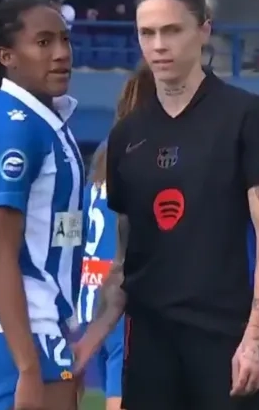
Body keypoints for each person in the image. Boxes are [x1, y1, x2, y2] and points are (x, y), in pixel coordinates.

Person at [74, 0, 259, 410]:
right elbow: (124, 262)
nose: (158, 45)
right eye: (147, 33)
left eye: (171, 30)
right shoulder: (126, 137)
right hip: (149, 350)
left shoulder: (245, 115)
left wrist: (256, 340)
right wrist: (89, 343)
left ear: (203, 31)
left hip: (225, 344)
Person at [0, 0, 84, 410]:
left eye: (64, 40)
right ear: (7, 55)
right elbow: (0, 250)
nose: (60, 54)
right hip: (14, 322)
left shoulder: (33, 118)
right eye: (43, 43)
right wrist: (26, 365)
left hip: (33, 318)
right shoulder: (14, 127)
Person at [77, 64, 152, 410]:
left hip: (89, 290)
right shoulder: (146, 151)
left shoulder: (104, 156)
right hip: (120, 288)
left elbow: (71, 227)